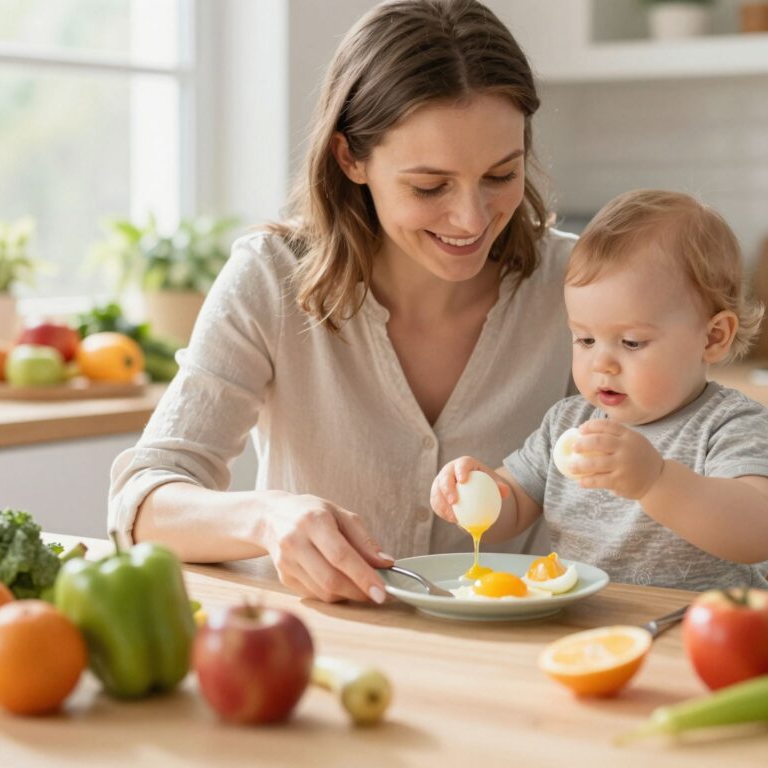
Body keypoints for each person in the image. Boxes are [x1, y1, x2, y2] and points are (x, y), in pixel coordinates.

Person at [108, 0, 577, 604]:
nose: (471, 218)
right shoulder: (271, 279)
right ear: (350, 157)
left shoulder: (575, 284)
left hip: (517, 660)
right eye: (429, 186)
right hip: (319, 655)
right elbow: (140, 503)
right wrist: (266, 518)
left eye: (501, 175)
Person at [431, 190, 768, 590]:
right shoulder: (567, 423)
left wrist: (655, 481)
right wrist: (474, 494)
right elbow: (513, 507)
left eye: (632, 343)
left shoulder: (729, 424)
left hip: (701, 634)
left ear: (712, 337)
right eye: (585, 340)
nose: (601, 363)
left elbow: (759, 532)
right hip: (590, 631)